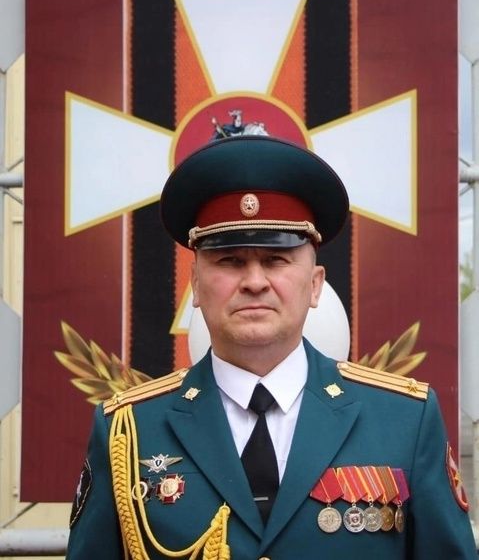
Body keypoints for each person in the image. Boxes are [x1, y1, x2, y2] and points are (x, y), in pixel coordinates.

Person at [66, 135, 477, 559]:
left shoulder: (404, 421)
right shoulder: (128, 432)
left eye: (276, 260)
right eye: (230, 261)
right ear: (196, 286)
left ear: (315, 285)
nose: (254, 281)